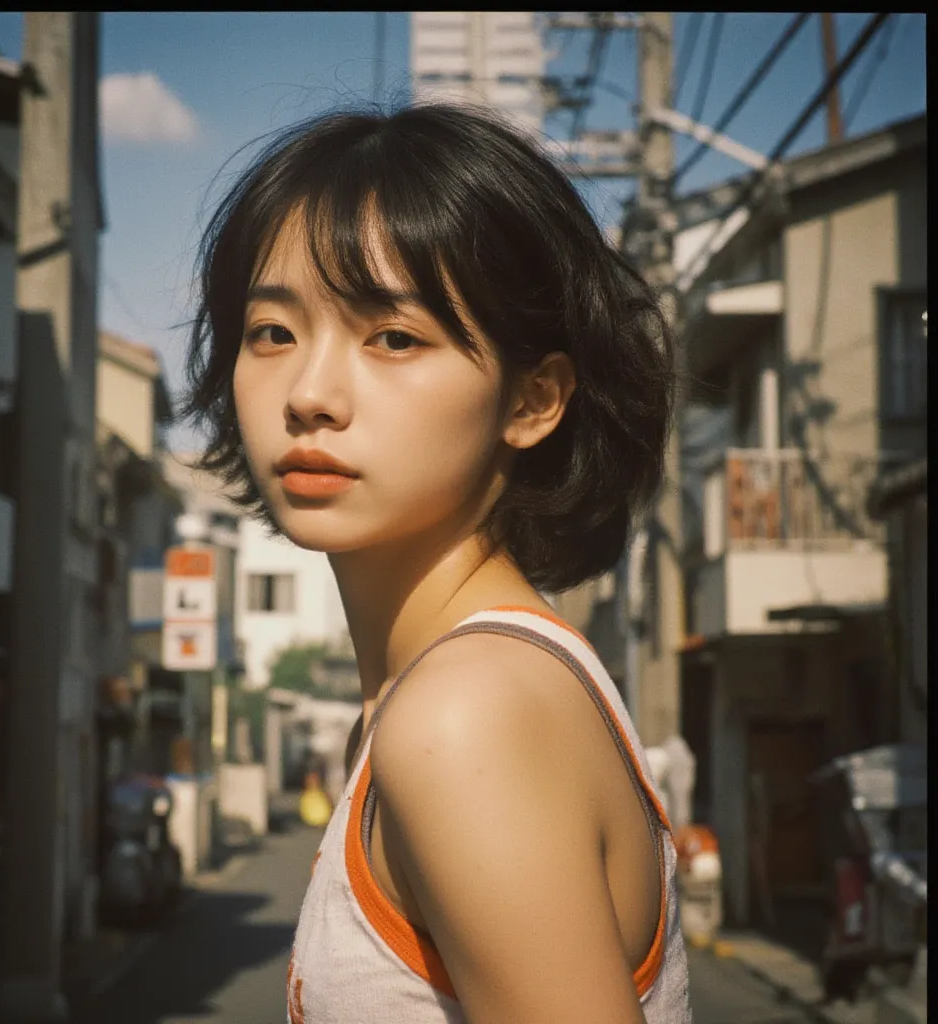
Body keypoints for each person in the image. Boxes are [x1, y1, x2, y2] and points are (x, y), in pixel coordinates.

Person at [182, 102, 691, 1023]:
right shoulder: (438, 694)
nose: (309, 395)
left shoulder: (466, 715)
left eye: (394, 338)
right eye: (272, 332)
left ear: (534, 399)